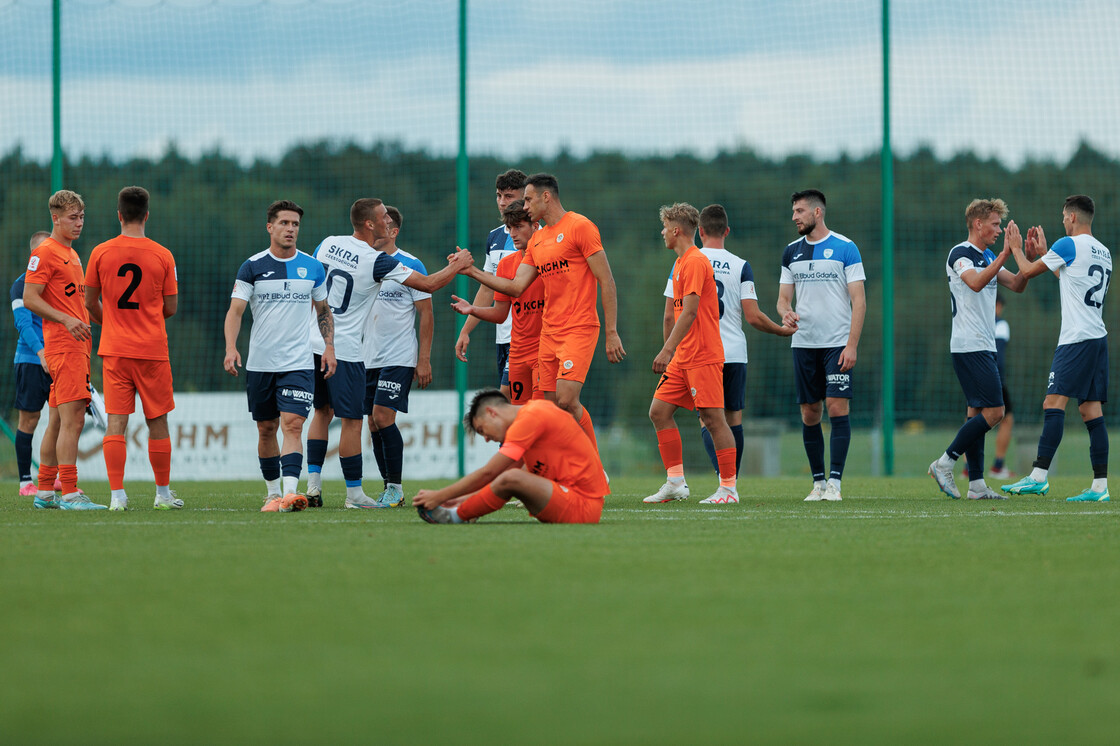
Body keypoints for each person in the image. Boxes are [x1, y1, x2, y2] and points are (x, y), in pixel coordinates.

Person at [303, 199, 471, 509]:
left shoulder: (328, 243)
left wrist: (423, 359)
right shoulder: (376, 261)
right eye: (382, 216)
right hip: (352, 352)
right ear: (370, 224)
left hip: (322, 344)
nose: (386, 221)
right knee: (354, 421)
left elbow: (312, 281)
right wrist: (459, 265)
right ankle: (354, 495)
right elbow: (431, 284)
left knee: (336, 414)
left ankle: (319, 485)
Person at [461, 173, 626, 450]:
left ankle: (594, 467)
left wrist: (611, 332)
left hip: (579, 327)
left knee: (566, 399)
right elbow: (515, 287)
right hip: (548, 335)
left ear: (545, 197)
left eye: (527, 199)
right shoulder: (537, 242)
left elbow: (606, 279)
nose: (523, 206)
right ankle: (562, 470)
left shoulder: (580, 226)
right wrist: (472, 271)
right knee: (549, 409)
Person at [662, 204, 795, 476]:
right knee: (732, 420)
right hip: (733, 352)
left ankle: (724, 480)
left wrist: (670, 352)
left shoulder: (686, 260)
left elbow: (669, 315)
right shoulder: (740, 265)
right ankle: (731, 481)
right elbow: (754, 316)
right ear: (727, 231)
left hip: (698, 353)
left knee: (708, 420)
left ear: (699, 231)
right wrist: (781, 331)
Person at [223, 200, 335, 513]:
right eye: (284, 223)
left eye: (295, 224)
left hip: (298, 363)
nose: (290, 229)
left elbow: (324, 311)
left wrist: (329, 347)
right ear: (270, 227)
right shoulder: (252, 266)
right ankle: (272, 493)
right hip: (260, 364)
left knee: (294, 425)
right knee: (266, 428)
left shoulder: (313, 267)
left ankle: (290, 493)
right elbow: (235, 311)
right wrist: (231, 347)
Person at [1002, 195, 1112, 502]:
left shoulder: (1068, 244)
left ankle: (1038, 476)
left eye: (1064, 216)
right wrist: (1046, 253)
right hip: (1097, 338)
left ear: (1073, 218)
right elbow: (1071, 280)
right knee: (1091, 410)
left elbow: (1025, 272)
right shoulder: (1104, 252)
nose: (1063, 220)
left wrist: (1014, 249)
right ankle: (1100, 487)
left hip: (1075, 339)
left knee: (1053, 403)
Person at [84, 186, 181, 511]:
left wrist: (109, 321)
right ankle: (163, 495)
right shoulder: (162, 255)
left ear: (119, 214)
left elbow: (89, 303)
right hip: (152, 350)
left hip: (115, 349)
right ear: (147, 215)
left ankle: (117, 497)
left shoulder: (100, 252)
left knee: (116, 423)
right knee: (158, 421)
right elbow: (171, 307)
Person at [928, 199, 1029, 499]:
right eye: (995, 224)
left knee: (976, 414)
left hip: (982, 346)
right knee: (996, 412)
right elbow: (973, 283)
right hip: (969, 344)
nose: (999, 229)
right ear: (978, 224)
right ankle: (945, 462)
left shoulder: (986, 256)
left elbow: (1017, 284)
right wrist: (1003, 256)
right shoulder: (961, 253)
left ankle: (976, 485)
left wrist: (1026, 258)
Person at [644, 203, 739, 505]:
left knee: (714, 419)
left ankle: (728, 489)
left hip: (703, 355)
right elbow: (675, 314)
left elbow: (690, 311)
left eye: (664, 227)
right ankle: (675, 482)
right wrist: (674, 352)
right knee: (658, 412)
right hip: (683, 358)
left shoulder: (696, 261)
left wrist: (666, 349)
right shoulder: (681, 263)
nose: (661, 232)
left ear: (676, 230)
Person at [777, 189, 866, 502]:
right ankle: (817, 483)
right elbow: (782, 298)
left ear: (817, 213)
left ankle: (835, 483)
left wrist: (851, 345)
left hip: (837, 343)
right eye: (793, 211)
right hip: (804, 344)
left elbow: (859, 300)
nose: (794, 217)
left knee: (836, 406)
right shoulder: (791, 252)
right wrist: (785, 312)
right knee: (809, 412)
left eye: (799, 211)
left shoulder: (846, 248)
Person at [22, 190, 105, 509]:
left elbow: (78, 302)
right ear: (55, 218)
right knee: (74, 421)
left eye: (82, 217)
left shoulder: (71, 253)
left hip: (76, 346)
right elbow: (30, 297)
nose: (79, 223)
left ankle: (44, 491)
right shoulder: (45, 252)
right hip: (64, 347)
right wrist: (67, 321)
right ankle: (70, 492)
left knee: (57, 420)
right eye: (73, 217)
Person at [412, 389, 608, 524]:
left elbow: (489, 473)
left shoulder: (531, 417)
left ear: (491, 413)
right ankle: (461, 511)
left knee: (511, 477)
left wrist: (439, 495)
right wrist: (462, 498)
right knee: (513, 476)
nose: (487, 439)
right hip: (570, 501)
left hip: (582, 506)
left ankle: (454, 517)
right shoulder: (530, 418)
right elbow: (502, 481)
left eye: (482, 430)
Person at [363, 206, 439, 507]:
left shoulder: (410, 263)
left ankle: (395, 487)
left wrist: (424, 359)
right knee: (371, 422)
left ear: (393, 231)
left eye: (384, 224)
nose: (377, 228)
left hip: (399, 356)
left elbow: (426, 314)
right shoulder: (365, 262)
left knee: (383, 416)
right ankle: (388, 487)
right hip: (366, 356)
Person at [450, 199, 545, 404]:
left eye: (518, 227)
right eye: (510, 228)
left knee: (544, 409)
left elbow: (517, 287)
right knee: (512, 408)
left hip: (545, 348)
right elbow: (501, 314)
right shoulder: (504, 265)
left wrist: (472, 271)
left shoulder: (547, 258)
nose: (512, 234)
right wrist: (472, 309)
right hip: (518, 349)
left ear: (535, 226)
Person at [455, 169, 528, 398]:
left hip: (527, 337)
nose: (502, 202)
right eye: (499, 196)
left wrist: (472, 271)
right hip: (503, 336)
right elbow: (487, 288)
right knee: (517, 408)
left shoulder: (536, 235)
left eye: (509, 196)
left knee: (507, 401)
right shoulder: (494, 237)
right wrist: (466, 330)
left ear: (525, 197)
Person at [11, 231, 53, 497]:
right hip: (31, 360)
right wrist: (41, 352)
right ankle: (25, 481)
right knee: (30, 419)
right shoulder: (21, 284)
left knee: (63, 418)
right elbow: (23, 324)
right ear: (33, 256)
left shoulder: (59, 282)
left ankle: (53, 477)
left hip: (59, 358)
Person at [990, 295, 1015, 479]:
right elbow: (997, 355)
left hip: (975, 376)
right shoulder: (1001, 324)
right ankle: (998, 467)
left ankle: (967, 469)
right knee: (1006, 419)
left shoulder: (976, 322)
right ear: (998, 305)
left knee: (972, 418)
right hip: (995, 378)